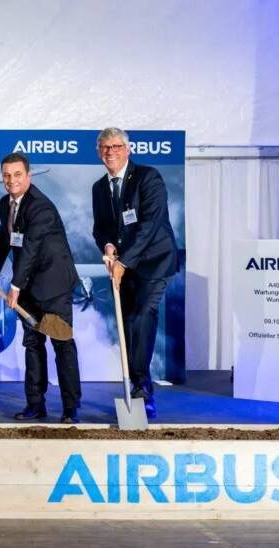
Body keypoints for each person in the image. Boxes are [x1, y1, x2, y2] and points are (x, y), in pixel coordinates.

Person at [0, 152, 82, 423]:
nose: (11, 180)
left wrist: (14, 286)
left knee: (62, 345)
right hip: (28, 288)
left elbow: (31, 249)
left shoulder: (40, 208)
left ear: (29, 176)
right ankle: (35, 404)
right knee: (33, 345)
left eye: (17, 175)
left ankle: (71, 408)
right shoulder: (5, 204)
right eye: (7, 175)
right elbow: (5, 238)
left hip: (53, 286)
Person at [92, 127, 179, 418]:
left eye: (116, 146)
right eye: (105, 147)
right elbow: (102, 226)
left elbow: (150, 224)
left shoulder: (147, 177)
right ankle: (136, 383)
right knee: (128, 324)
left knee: (142, 315)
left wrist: (124, 261)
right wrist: (107, 246)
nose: (111, 152)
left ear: (128, 150)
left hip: (154, 263)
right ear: (99, 152)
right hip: (124, 267)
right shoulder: (99, 188)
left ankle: (143, 389)